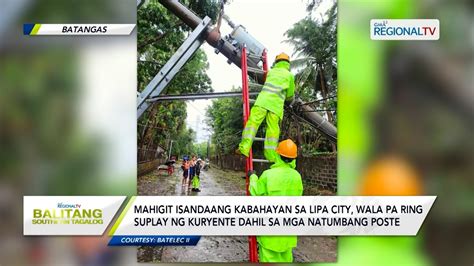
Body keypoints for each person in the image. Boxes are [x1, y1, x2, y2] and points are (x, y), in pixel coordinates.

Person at [247, 139, 303, 263]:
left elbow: (255, 191)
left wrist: (252, 176)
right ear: (294, 158)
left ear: (277, 154)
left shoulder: (268, 175)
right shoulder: (297, 176)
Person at [238, 53, 295, 162]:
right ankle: (270, 156)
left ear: (276, 62)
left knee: (252, 124)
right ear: (288, 63)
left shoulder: (270, 72)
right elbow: (289, 95)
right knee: (272, 130)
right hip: (276, 106)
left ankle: (244, 147)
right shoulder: (290, 76)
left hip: (262, 101)